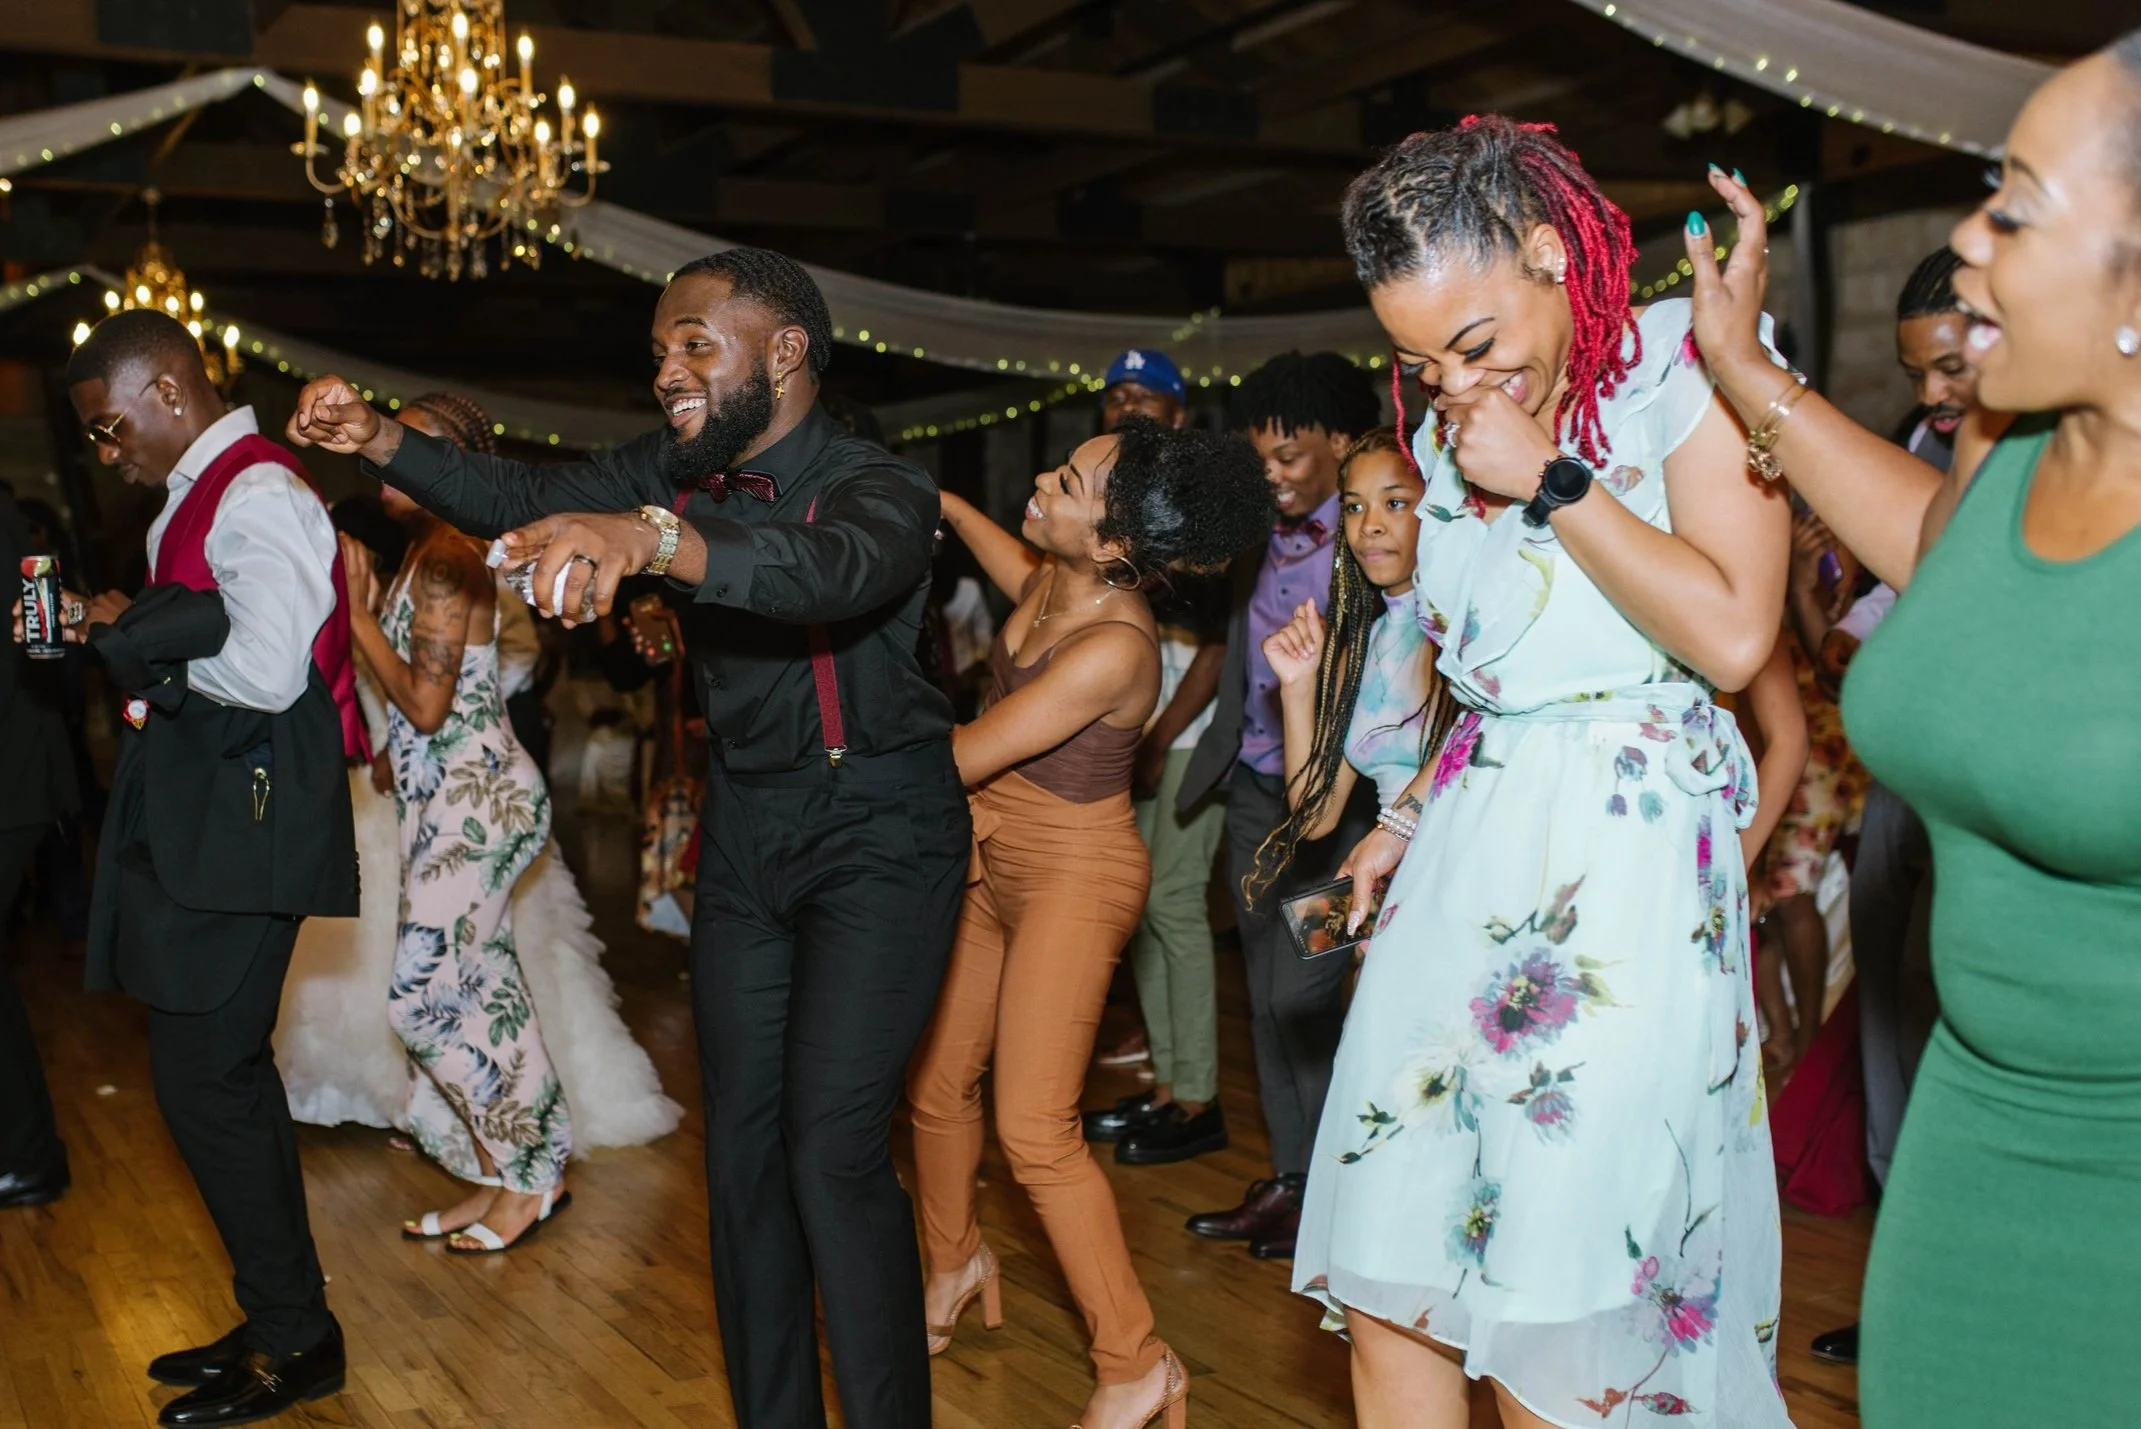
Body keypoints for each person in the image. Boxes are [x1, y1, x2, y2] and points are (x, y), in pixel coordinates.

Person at [288, 247, 967, 1429]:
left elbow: (825, 569)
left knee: (830, 1152)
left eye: (695, 344)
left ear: (786, 351)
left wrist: (651, 542)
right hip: (749, 829)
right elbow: (516, 494)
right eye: (659, 350)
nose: (667, 371)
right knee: (742, 1158)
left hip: (881, 833)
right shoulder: (675, 470)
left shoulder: (880, 486)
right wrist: (378, 441)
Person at [1298, 118, 1793, 1429]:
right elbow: (1499, 671)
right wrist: (1405, 814)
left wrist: (1556, 478)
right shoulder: (1455, 435)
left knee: (1558, 1323)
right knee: (1394, 1281)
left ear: (1544, 252)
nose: (1455, 384)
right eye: (1415, 362)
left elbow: (1737, 632)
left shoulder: (1684, 370)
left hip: (1623, 872)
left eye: (1474, 344)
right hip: (1470, 852)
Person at [1682, 34, 2141, 1424]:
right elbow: (1935, 555)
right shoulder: (2010, 444)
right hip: (1972, 1131)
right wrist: (1742, 366)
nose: (1963, 233)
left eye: (2016, 203)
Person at [912, 420, 1269, 1429]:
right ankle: (952, 1262)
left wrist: (835, 745)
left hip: (1074, 874)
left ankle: (1134, 1359)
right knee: (937, 1083)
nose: (1041, 479)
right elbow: (1008, 555)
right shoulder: (1049, 579)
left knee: (1032, 1126)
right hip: (991, 857)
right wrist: (935, 505)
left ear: (1114, 545)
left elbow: (963, 754)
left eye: (1065, 481)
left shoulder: (1115, 646)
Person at [280, 392, 680, 1246]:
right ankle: (507, 1173)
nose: (390, 460)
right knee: (483, 990)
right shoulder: (432, 548)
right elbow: (437, 702)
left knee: (422, 998)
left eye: (415, 448)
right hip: (447, 795)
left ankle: (534, 1172)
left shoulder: (445, 557)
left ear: (456, 467)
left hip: (478, 803)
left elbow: (424, 703)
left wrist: (352, 612)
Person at [62, 310, 364, 1427]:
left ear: (167, 393)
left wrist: (134, 634)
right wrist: (119, 629)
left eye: (108, 427)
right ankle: (281, 1314)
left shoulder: (260, 490)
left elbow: (267, 665)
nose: (108, 451)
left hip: (251, 823)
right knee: (217, 1083)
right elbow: (188, 649)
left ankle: (300, 1338)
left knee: (211, 1086)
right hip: (209, 824)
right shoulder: (191, 504)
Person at [1797, 252, 1997, 1365]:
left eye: (1947, 365)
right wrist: (1846, 632)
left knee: (1953, 1015)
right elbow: (1890, 578)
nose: (1928, 392)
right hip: (1900, 784)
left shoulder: (2046, 458)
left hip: (1985, 793)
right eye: (1914, 369)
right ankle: (1903, 1290)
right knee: (1884, 1017)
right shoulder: (1925, 444)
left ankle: (1974, 1300)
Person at [1170, 351, 1383, 1260]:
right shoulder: (1256, 529)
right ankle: (1293, 1184)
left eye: (1291, 456)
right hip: (1261, 791)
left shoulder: (1378, 537)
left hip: (1348, 809)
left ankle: (1344, 1193)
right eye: (1261, 458)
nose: (1275, 475)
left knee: (1308, 988)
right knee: (1263, 989)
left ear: (1342, 442)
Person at [1249, 428, 1452, 905]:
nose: (1371, 525)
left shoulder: (1466, 633)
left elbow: (1472, 747)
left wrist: (1395, 829)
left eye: (1395, 503)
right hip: (1396, 889)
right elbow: (1315, 819)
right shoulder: (1362, 649)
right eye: (1355, 507)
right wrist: (1298, 687)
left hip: (1470, 872)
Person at [1751, 506, 1868, 1076]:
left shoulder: (1830, 536)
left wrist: (1801, 577)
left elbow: (1834, 643)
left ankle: (1809, 1042)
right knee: (1764, 899)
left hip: (1819, 729)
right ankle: (1779, 1032)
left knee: (1790, 892)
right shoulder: (1753, 514)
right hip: (1763, 719)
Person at [0, 482, 80, 1211]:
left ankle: (29, 1154)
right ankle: (27, 1150)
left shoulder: (13, 531)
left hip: (14, 775)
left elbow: (41, 651)